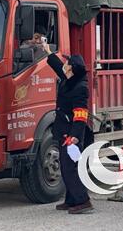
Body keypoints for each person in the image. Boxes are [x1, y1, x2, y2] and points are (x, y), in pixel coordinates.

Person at [42, 42, 93, 214]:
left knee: (70, 168)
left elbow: (80, 116)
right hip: (64, 131)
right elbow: (58, 67)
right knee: (67, 167)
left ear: (72, 69)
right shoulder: (69, 79)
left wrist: (74, 138)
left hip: (71, 135)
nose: (64, 65)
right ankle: (71, 200)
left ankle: (83, 201)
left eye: (67, 64)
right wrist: (47, 51)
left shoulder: (80, 88)